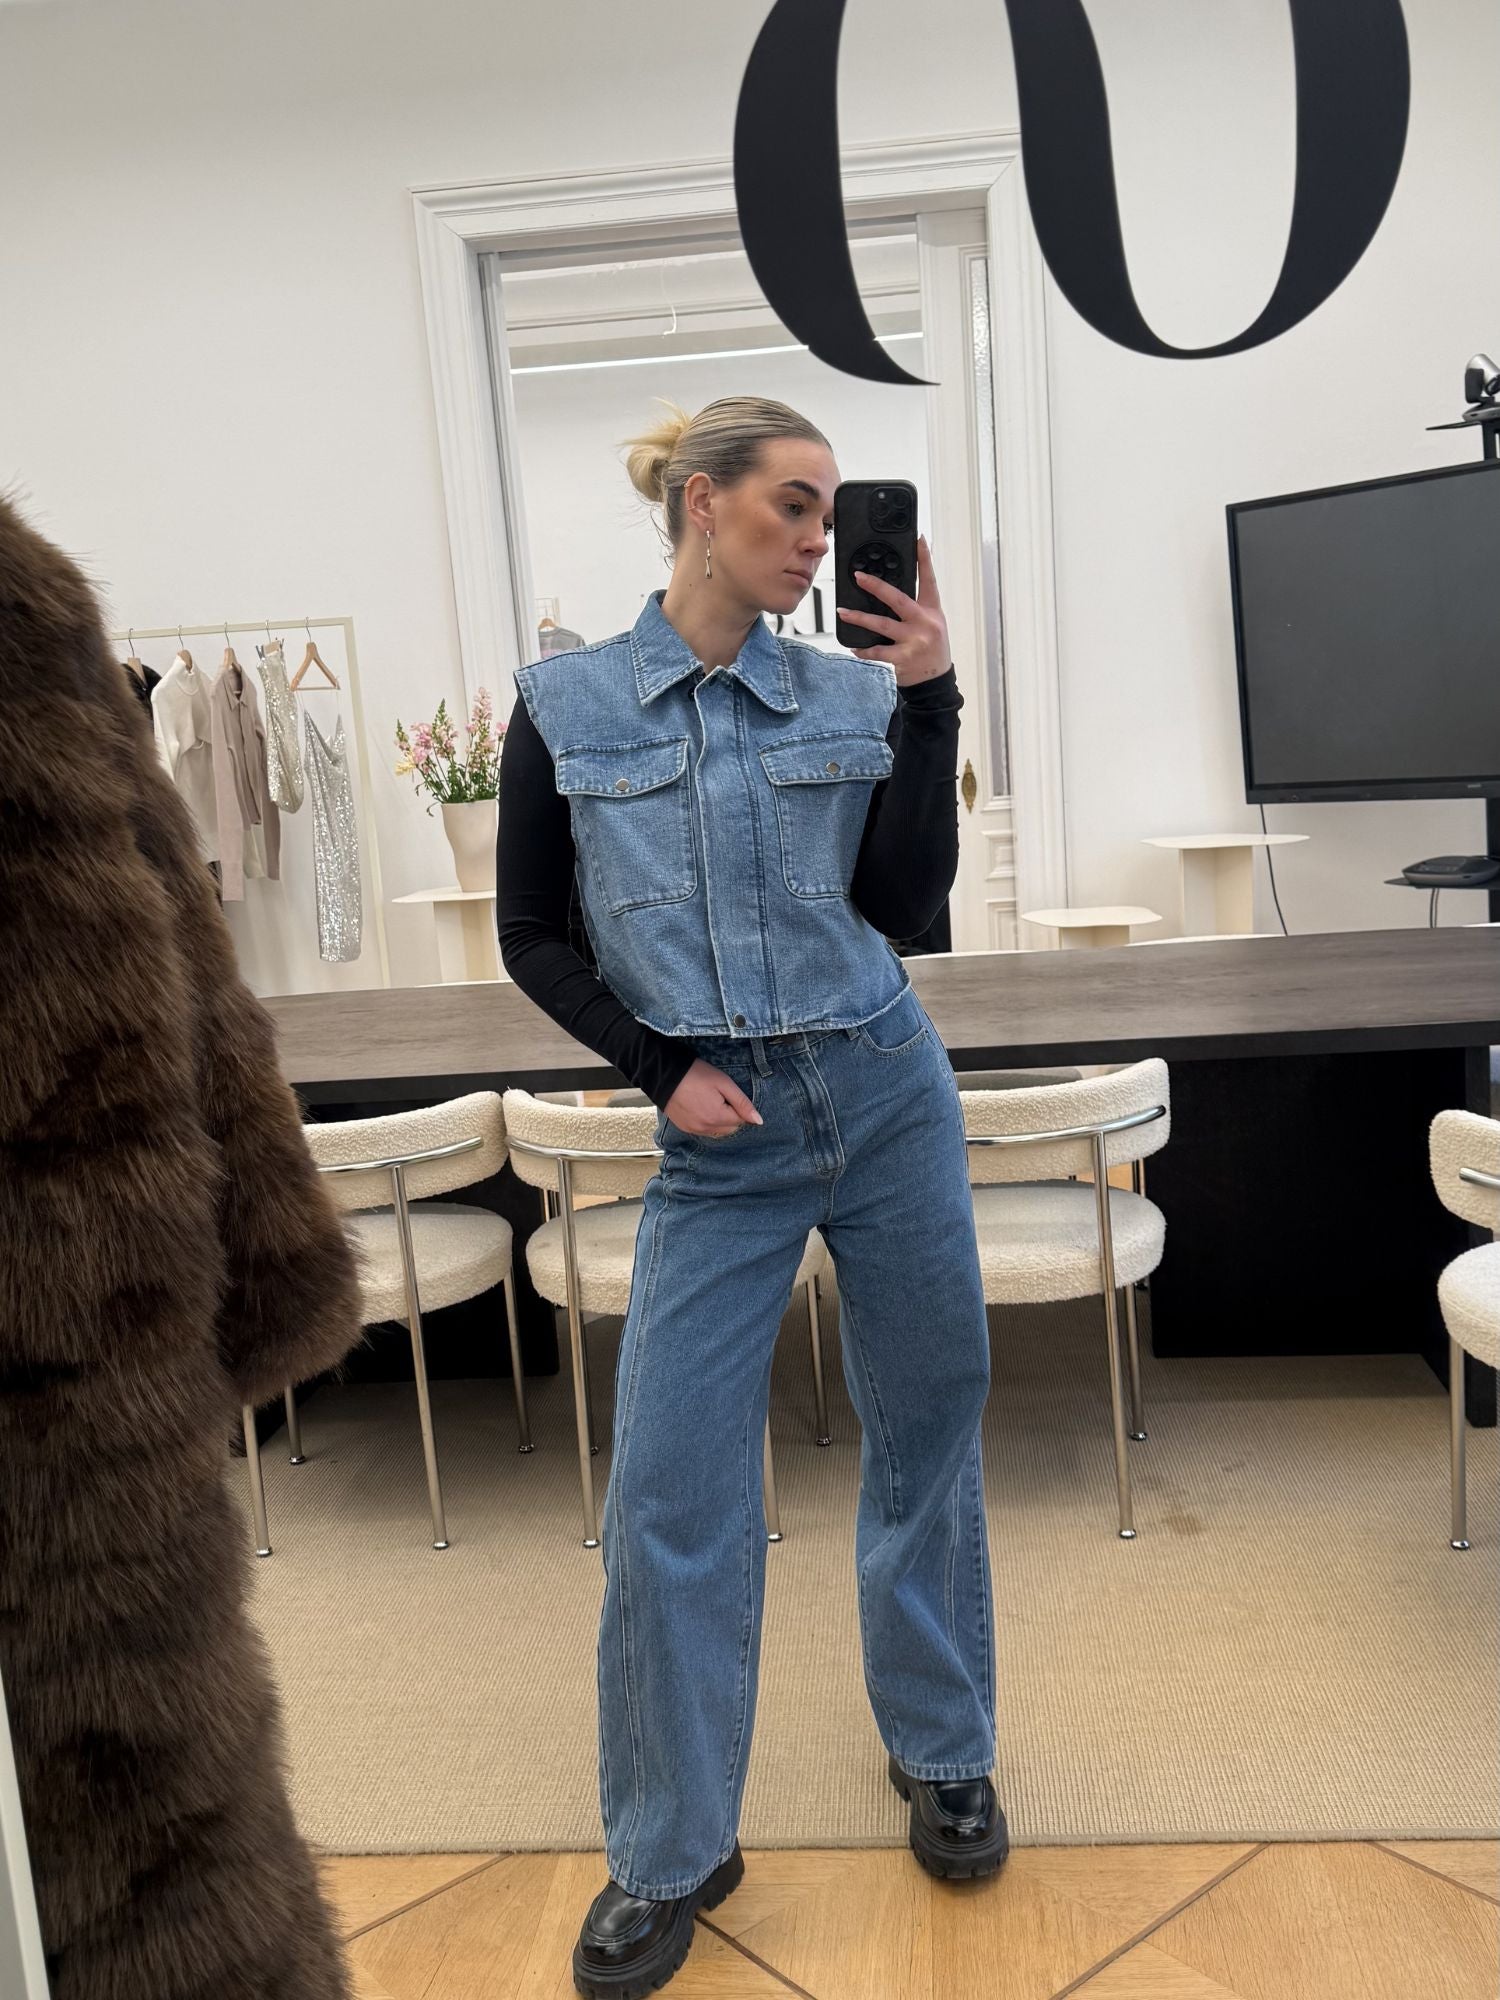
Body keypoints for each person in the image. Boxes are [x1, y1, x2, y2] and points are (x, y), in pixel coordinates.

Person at [496, 396, 1007, 2000]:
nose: (815, 541)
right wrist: (657, 1067)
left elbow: (906, 908)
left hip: (884, 1087)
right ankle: (669, 1844)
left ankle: (941, 1751)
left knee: (927, 1428)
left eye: (827, 515)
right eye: (791, 509)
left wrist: (929, 699)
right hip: (716, 1137)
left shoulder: (848, 692)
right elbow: (534, 934)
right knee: (669, 1485)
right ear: (702, 509)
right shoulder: (563, 705)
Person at [0, 488, 366, 1999]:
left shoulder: (27, 615)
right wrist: (274, 1255)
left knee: (129, 1831)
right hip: (75, 1381)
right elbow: (186, 956)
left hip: (72, 1410)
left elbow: (176, 946)